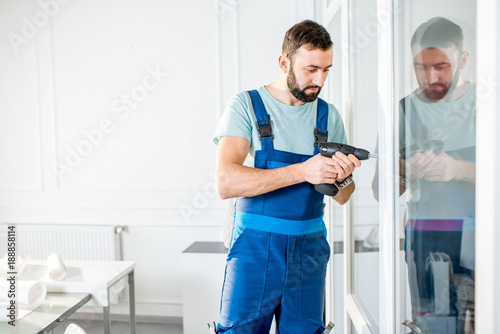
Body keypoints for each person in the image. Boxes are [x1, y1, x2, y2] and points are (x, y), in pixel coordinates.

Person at [212, 20, 361, 334]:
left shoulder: (328, 116)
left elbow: (345, 194)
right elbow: (226, 182)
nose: (318, 80)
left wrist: (343, 178)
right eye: (310, 69)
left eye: (326, 70)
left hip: (309, 254)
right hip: (253, 252)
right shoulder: (246, 106)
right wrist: (305, 170)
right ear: (284, 62)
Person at [398, 17, 475, 334]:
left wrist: (458, 169)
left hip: (483, 239)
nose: (431, 77)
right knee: (437, 328)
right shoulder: (403, 110)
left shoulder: (489, 104)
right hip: (429, 244)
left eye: (442, 66)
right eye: (421, 66)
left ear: (463, 60)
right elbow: (379, 192)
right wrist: (404, 174)